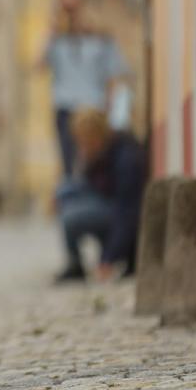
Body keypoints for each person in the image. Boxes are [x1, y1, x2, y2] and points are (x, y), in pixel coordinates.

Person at [41, 0, 130, 177]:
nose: (72, 12)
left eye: (75, 4)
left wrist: (115, 116)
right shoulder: (58, 39)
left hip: (93, 107)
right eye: (66, 5)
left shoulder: (101, 39)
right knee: (68, 163)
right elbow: (39, 63)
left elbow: (115, 77)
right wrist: (52, 27)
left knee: (95, 162)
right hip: (65, 107)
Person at [54, 108, 145, 284]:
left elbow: (126, 212)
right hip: (107, 202)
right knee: (64, 193)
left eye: (85, 142)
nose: (82, 147)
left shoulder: (126, 158)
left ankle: (99, 259)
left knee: (71, 217)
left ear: (97, 136)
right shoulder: (99, 155)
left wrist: (107, 259)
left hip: (120, 215)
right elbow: (86, 184)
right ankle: (75, 263)